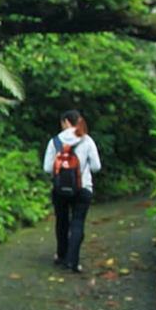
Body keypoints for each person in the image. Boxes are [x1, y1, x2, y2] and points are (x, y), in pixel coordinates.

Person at [43, 109, 102, 273]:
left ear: (66, 122)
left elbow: (47, 168)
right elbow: (97, 167)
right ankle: (73, 262)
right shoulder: (87, 140)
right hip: (83, 188)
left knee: (61, 222)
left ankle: (61, 255)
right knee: (77, 222)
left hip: (60, 189)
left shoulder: (55, 141)